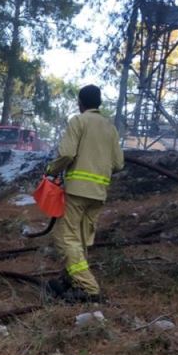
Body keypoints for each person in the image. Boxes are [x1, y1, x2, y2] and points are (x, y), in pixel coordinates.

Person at [46, 85, 125, 302]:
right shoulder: (110, 127)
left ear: (81, 103)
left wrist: (51, 169)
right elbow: (119, 164)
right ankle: (72, 279)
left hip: (77, 191)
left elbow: (67, 153)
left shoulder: (78, 121)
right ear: (99, 102)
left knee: (66, 238)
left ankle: (89, 287)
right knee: (81, 239)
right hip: (99, 193)